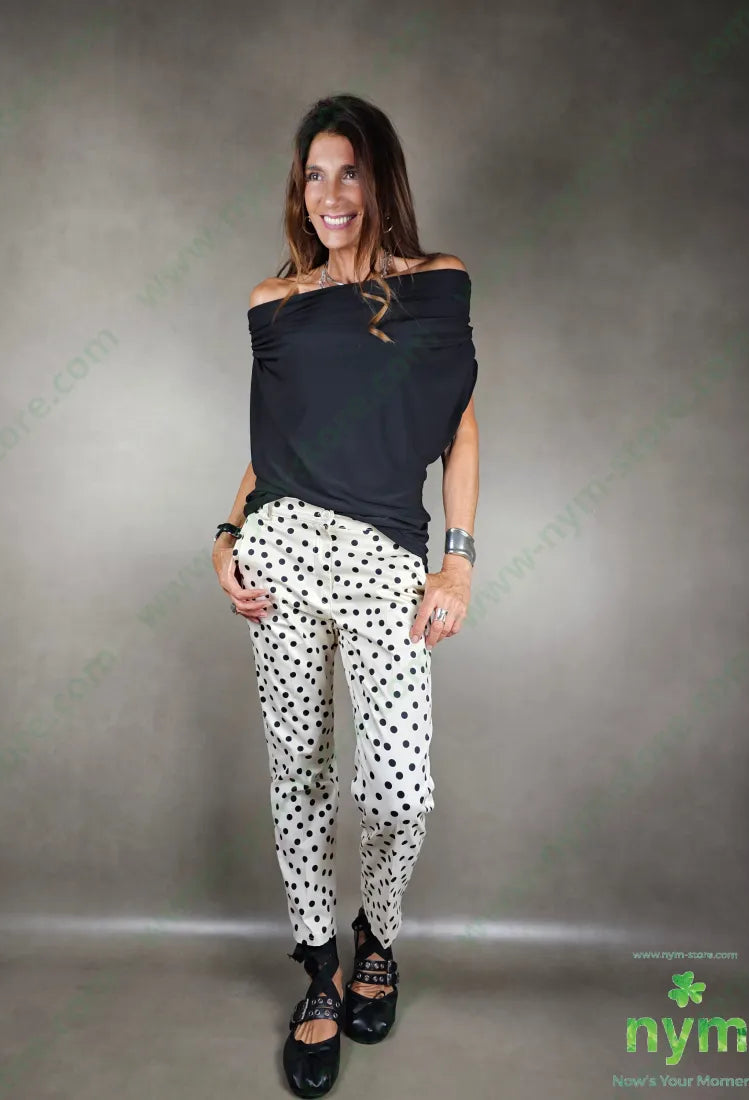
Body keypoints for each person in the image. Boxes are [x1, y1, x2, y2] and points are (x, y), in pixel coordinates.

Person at [212, 93, 479, 1098]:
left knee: (397, 787)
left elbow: (460, 425)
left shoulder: (436, 285)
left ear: (381, 180)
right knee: (299, 772)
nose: (330, 194)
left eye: (350, 171)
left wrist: (457, 562)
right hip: (281, 551)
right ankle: (320, 967)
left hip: (383, 561)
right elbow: (271, 449)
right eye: (314, 174)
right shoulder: (271, 303)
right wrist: (225, 537)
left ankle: (380, 934)